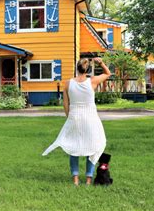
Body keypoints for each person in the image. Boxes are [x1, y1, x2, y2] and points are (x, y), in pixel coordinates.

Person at [42, 57, 112, 185]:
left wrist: (70, 116)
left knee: (74, 146)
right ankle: (89, 179)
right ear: (88, 69)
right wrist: (100, 62)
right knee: (92, 147)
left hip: (75, 117)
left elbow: (65, 103)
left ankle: (75, 179)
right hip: (91, 118)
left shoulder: (68, 83)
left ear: (76, 68)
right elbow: (108, 73)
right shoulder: (92, 81)